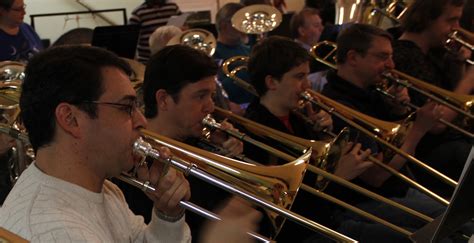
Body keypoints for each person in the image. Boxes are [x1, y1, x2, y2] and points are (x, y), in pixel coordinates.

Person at [0, 45, 258, 242]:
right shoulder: (54, 231)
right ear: (71, 119)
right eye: (126, 108)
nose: (142, 121)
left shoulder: (104, 189)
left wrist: (167, 214)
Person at [321, 23, 447, 242]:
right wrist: (417, 129)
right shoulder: (337, 105)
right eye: (382, 57)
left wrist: (399, 112)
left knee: (459, 217)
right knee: (453, 225)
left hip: (398, 188)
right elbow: (377, 176)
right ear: (353, 57)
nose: (391, 65)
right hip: (368, 201)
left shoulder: (371, 90)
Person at [245, 35, 375, 242]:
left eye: (307, 76)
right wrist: (337, 178)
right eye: (299, 77)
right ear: (271, 82)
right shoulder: (253, 132)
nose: (307, 85)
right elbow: (289, 213)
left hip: (333, 219)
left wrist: (325, 136)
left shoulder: (299, 118)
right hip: (306, 233)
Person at [393, 0, 473, 197]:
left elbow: (453, 98)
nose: (456, 28)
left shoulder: (436, 52)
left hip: (452, 142)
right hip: (428, 151)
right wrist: (470, 79)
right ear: (428, 19)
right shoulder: (403, 56)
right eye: (451, 20)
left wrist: (459, 66)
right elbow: (438, 123)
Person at [214, 3, 254, 106]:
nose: (244, 27)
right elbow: (218, 88)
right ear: (224, 25)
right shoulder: (214, 52)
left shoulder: (248, 49)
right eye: (240, 22)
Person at [290, 7, 328, 91]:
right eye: (316, 25)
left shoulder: (318, 49)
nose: (322, 29)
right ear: (302, 31)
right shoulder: (293, 53)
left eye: (321, 24)